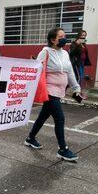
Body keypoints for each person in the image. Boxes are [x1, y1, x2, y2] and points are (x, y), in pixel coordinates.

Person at [24, 28, 82, 162]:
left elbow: (69, 72)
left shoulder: (65, 53)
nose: (64, 38)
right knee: (60, 118)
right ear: (52, 39)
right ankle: (63, 149)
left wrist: (76, 87)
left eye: (64, 36)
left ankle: (30, 138)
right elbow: (35, 70)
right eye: (61, 36)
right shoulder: (45, 52)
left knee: (43, 116)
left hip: (59, 91)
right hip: (49, 91)